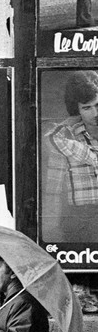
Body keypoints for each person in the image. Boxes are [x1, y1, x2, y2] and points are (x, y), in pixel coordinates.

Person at [43, 69, 98, 242]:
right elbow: (53, 189)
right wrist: (90, 156)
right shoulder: (67, 137)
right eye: (87, 108)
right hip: (83, 219)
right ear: (77, 110)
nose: (95, 114)